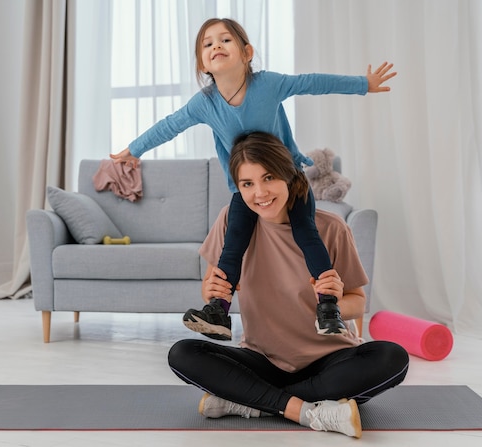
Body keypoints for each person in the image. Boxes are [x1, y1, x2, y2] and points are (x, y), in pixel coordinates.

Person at [111, 17, 397, 340]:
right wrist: (133, 150)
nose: (216, 46)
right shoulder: (204, 104)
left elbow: (312, 82)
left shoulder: (268, 85)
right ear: (202, 62)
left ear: (247, 52)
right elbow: (169, 125)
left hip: (290, 182)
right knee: (233, 244)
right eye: (208, 44)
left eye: (225, 40)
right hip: (247, 190)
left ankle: (328, 307)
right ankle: (219, 310)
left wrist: (364, 84)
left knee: (307, 234)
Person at [167, 132, 409, 438]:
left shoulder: (331, 227)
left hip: (329, 361)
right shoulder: (231, 221)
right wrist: (211, 290)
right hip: (263, 359)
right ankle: (306, 411)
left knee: (393, 358)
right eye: (247, 184)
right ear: (238, 188)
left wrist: (335, 297)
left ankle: (251, 400)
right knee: (182, 354)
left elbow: (357, 302)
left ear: (287, 174)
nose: (260, 192)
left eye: (268, 177)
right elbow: (210, 287)